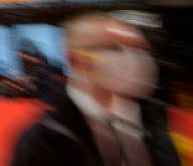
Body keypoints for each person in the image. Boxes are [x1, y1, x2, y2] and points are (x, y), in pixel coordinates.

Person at [10, 12, 181, 166]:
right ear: (76, 60)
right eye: (112, 47)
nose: (133, 58)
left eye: (139, 48)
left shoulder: (154, 123)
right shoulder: (45, 140)